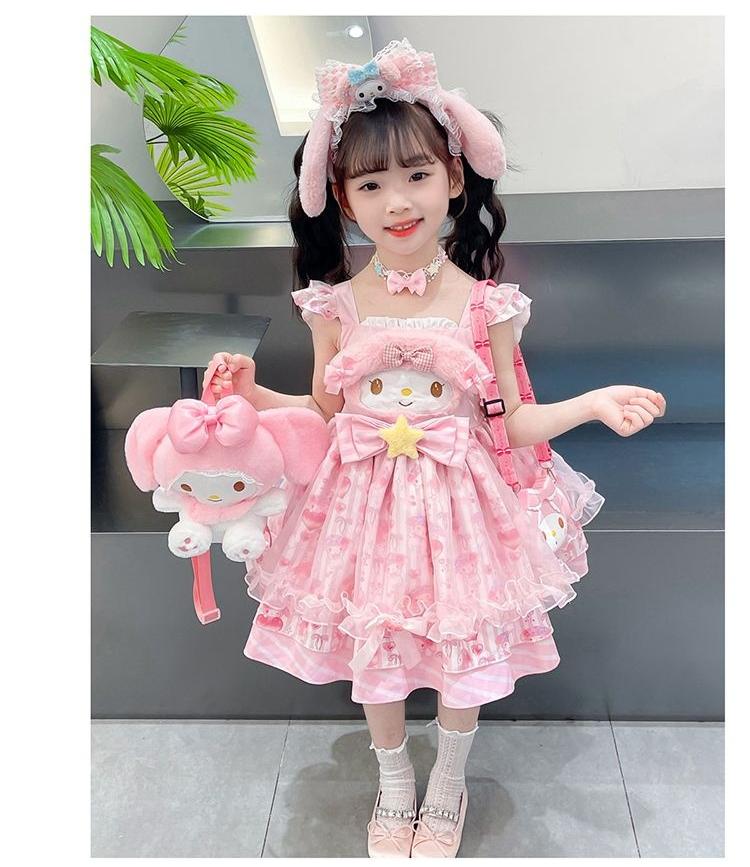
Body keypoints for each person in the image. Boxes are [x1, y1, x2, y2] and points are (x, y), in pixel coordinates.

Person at [203, 38, 667, 858]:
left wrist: (592, 403)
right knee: (374, 648)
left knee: (461, 655)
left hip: (459, 508)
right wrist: (252, 394)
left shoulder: (488, 305)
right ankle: (394, 785)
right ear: (343, 200)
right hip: (359, 512)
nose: (397, 201)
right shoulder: (332, 305)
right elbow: (323, 411)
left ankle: (447, 784)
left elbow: (510, 421)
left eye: (416, 175)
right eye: (371, 184)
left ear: (454, 177)